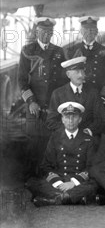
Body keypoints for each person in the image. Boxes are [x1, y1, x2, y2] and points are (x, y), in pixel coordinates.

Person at [17, 17, 68, 176]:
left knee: (53, 141)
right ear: (37, 32)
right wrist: (31, 102)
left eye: (50, 32)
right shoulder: (27, 50)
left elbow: (64, 79)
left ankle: (50, 177)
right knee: (33, 142)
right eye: (43, 31)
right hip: (34, 106)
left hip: (54, 106)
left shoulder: (59, 51)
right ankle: (30, 179)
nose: (47, 34)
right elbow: (22, 80)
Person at [25, 102, 97, 206]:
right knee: (31, 182)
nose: (70, 120)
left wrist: (73, 183)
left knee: (94, 185)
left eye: (74, 117)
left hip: (77, 181)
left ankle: (54, 198)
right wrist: (58, 183)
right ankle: (70, 197)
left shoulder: (88, 139)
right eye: (67, 117)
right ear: (62, 120)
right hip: (59, 178)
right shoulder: (55, 138)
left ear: (80, 119)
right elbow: (46, 165)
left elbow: (91, 167)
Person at [46, 57, 105, 138]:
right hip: (65, 139)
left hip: (87, 139)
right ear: (68, 74)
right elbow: (51, 122)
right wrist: (70, 131)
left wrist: (89, 130)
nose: (81, 75)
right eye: (77, 72)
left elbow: (100, 119)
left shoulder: (93, 93)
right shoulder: (58, 93)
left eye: (82, 71)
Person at [64, 16, 105, 101]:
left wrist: (103, 94)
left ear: (97, 31)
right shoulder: (72, 50)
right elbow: (68, 74)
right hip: (78, 93)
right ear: (81, 31)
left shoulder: (104, 50)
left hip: (98, 92)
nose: (89, 32)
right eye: (86, 29)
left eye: (92, 29)